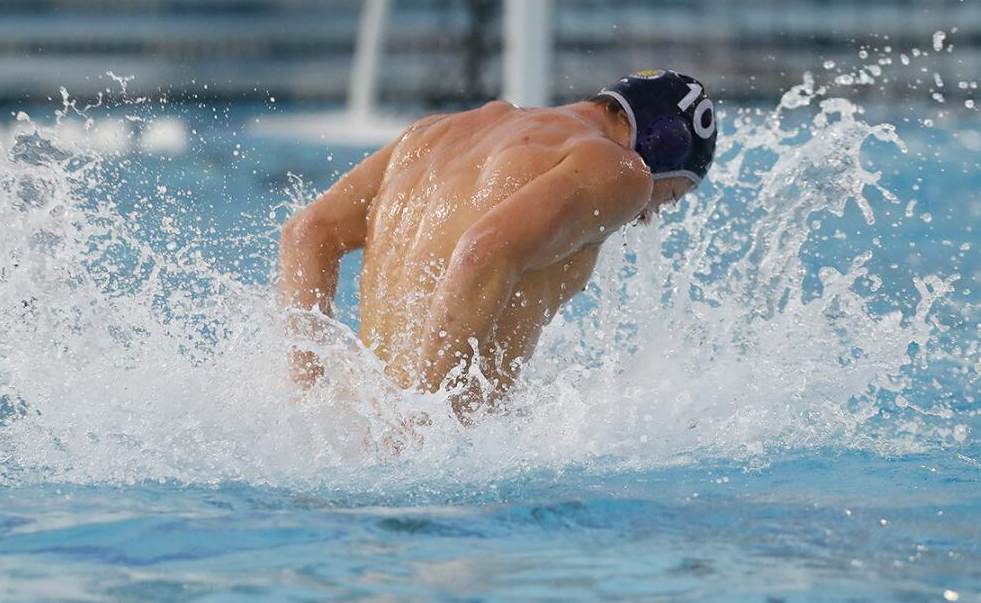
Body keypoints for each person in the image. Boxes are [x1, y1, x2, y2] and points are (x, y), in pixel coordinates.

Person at [279, 70, 718, 418]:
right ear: (660, 150)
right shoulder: (621, 171)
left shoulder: (432, 134)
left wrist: (312, 400)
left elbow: (307, 233)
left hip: (362, 435)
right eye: (672, 197)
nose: (650, 216)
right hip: (437, 457)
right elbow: (482, 252)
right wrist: (421, 424)